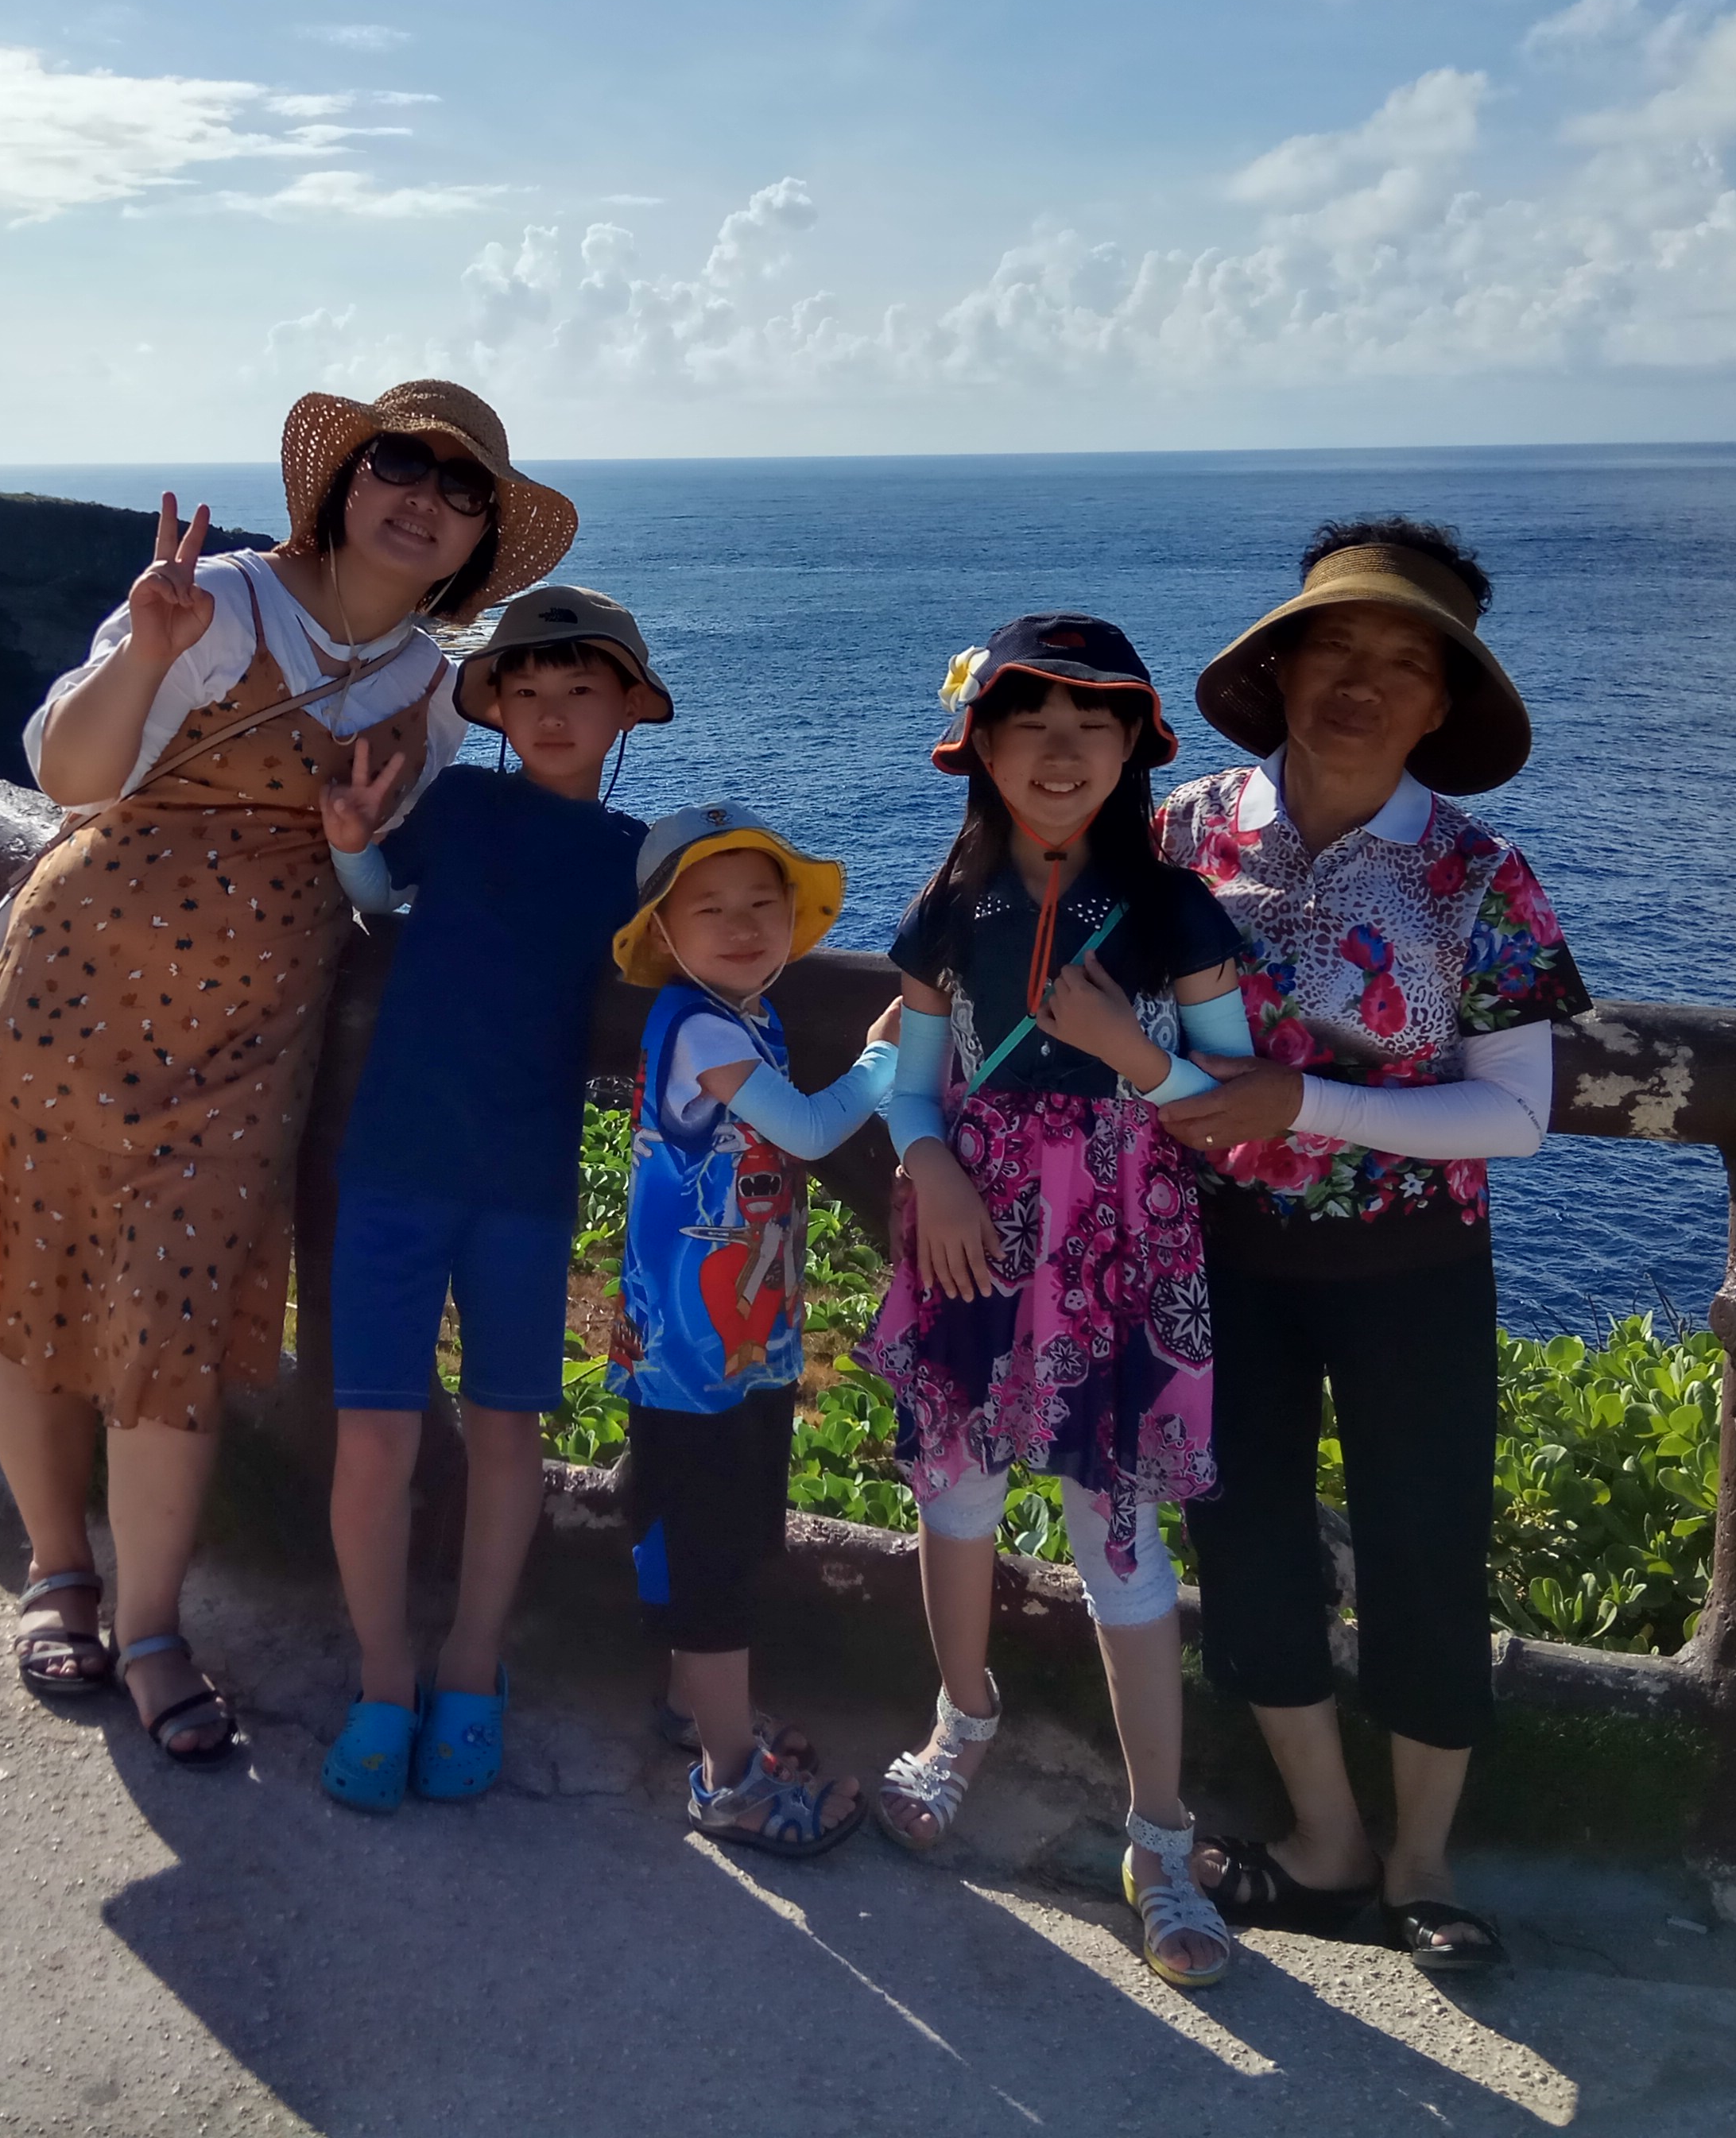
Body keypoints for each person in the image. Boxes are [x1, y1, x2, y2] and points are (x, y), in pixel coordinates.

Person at [0, 379, 575, 1765]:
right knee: (34, 1288)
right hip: (76, 986)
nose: (423, 500)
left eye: (461, 492)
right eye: (400, 464)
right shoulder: (215, 601)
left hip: (250, 1037)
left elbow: (387, 884)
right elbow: (70, 776)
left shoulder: (435, 700)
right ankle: (57, 1572)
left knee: (178, 1321)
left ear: (477, 543)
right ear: (343, 480)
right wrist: (145, 652)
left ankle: (151, 1627)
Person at [1151, 517, 1587, 1975]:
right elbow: (1068, 971)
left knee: (1426, 1545)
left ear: (1442, 704)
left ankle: (1424, 1864)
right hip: (1215, 1258)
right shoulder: (1182, 832)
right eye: (1334, 647)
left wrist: (1302, 1103)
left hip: (1414, 1271)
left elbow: (1515, 1115)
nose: (1361, 683)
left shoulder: (1479, 876)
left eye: (1405, 662)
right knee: (1246, 1539)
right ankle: (1326, 1839)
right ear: (1278, 669)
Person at [868, 614, 1255, 1990]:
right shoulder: (948, 905)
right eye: (1028, 723)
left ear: (1134, 752)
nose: (1059, 751)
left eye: (1092, 727)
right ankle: (958, 1720)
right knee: (956, 1498)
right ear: (978, 746)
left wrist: (1124, 1050)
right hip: (970, 1234)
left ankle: (1161, 1836)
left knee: (1123, 1541)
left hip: (1123, 1250)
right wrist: (931, 1167)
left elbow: (1234, 1107)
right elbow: (912, 1082)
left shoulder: (1178, 910)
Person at [310, 583, 672, 1812]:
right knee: (375, 1431)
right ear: (498, 710)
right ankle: (383, 1676)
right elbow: (377, 894)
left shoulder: (638, 859)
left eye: (580, 690)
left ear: (627, 708)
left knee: (508, 1427)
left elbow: (694, 950)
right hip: (395, 1162)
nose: (553, 711)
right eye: (528, 690)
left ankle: (473, 1664)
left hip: (524, 1178)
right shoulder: (459, 802)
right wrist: (351, 837)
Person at [606, 803, 894, 1856]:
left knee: (707, 1525)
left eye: (761, 904)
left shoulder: (740, 1013)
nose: (741, 925)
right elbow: (810, 1129)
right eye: (709, 908)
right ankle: (727, 1781)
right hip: (692, 1349)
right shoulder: (700, 1028)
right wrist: (881, 1059)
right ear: (663, 933)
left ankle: (696, 1709)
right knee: (713, 1544)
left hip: (728, 1336)